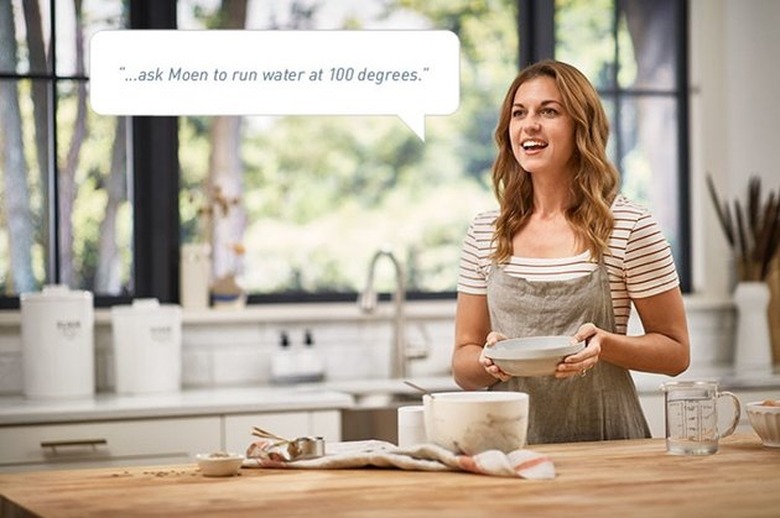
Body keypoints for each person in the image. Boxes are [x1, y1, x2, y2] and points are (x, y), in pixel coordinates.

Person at [452, 60, 690, 444]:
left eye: (549, 111)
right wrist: (486, 361)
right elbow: (463, 364)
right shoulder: (486, 231)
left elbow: (676, 353)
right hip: (510, 447)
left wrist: (606, 345)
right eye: (519, 113)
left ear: (581, 126)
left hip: (608, 445)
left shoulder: (629, 226)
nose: (529, 125)